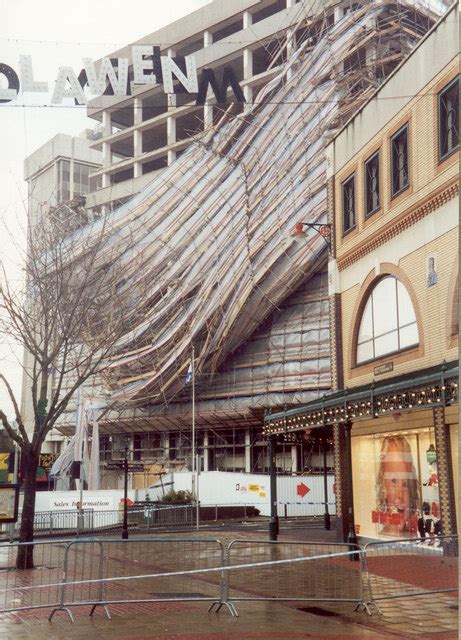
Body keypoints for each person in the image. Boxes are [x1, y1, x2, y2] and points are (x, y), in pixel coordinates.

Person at [374, 435, 420, 537]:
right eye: (394, 481)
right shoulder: (377, 539)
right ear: (383, 485)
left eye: (405, 483)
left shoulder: (413, 538)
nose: (400, 494)